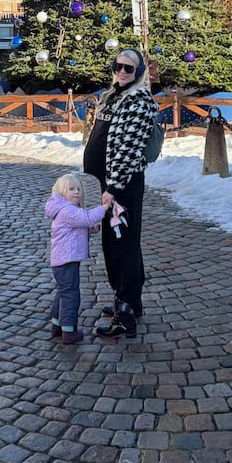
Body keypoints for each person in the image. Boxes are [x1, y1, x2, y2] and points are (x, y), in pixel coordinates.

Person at [83, 48, 158, 339]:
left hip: (121, 187)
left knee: (122, 245)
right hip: (106, 186)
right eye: (119, 66)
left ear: (139, 73)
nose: (122, 71)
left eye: (129, 68)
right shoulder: (114, 95)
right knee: (115, 245)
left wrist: (112, 189)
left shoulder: (138, 101)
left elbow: (128, 151)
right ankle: (128, 300)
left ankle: (125, 316)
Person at [45, 172, 113, 345]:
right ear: (61, 193)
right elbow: (87, 218)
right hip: (66, 260)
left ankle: (57, 325)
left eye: (78, 189)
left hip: (63, 260)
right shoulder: (67, 210)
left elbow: (77, 227)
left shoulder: (65, 209)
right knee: (70, 295)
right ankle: (69, 331)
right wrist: (104, 207)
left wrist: (91, 229)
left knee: (63, 292)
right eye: (71, 189)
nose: (77, 192)